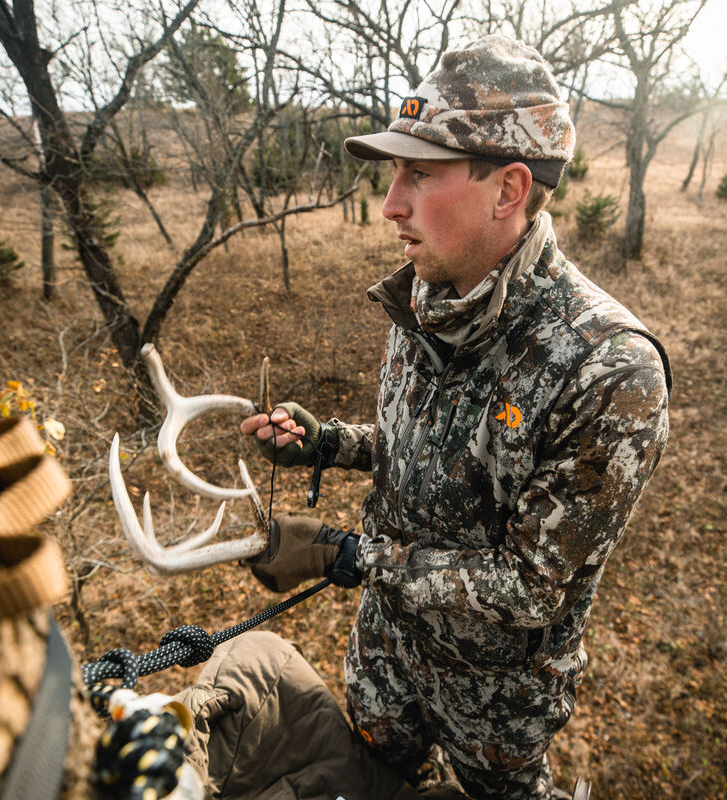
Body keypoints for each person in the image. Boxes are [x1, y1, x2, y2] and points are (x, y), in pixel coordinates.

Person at [240, 34, 671, 800]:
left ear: (507, 190)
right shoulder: (424, 299)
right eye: (392, 173)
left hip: (494, 713)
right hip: (387, 668)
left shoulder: (609, 367)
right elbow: (439, 453)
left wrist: (350, 556)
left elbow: (532, 587)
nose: (388, 204)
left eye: (418, 174)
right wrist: (330, 444)